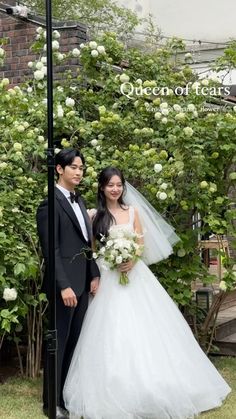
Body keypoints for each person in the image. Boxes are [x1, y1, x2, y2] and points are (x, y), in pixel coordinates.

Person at [63, 167, 231, 419]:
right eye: (110, 185)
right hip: (108, 276)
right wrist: (105, 265)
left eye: (119, 184)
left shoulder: (133, 211)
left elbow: (141, 243)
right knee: (110, 331)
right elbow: (92, 249)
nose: (115, 189)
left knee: (148, 329)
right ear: (102, 187)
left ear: (123, 187)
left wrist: (131, 258)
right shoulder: (95, 215)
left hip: (136, 276)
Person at [37, 148, 100, 419]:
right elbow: (51, 250)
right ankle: (51, 403)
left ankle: (67, 397)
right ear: (59, 169)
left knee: (75, 343)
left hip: (83, 284)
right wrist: (63, 285)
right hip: (64, 287)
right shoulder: (49, 204)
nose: (79, 172)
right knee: (59, 344)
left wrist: (93, 272)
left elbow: (86, 243)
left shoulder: (80, 201)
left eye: (82, 168)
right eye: (73, 167)